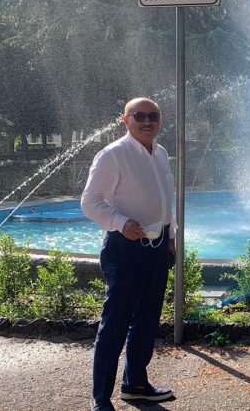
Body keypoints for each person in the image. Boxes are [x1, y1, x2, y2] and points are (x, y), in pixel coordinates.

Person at [82, 98, 177, 411]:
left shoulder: (160, 153)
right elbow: (90, 202)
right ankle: (101, 399)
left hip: (157, 247)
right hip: (125, 249)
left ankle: (135, 384)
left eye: (153, 116)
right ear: (125, 120)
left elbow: (165, 200)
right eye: (139, 116)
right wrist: (121, 223)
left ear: (159, 120)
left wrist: (171, 237)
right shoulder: (113, 155)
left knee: (147, 321)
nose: (147, 122)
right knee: (116, 324)